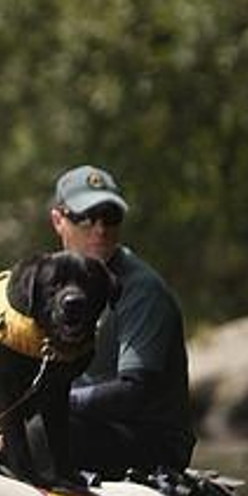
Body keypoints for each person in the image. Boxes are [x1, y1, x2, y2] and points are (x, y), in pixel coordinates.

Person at [50, 161, 196, 478]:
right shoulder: (49, 284)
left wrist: (58, 401)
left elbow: (135, 391)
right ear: (58, 220)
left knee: (47, 430)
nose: (101, 229)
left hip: (148, 439)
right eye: (87, 218)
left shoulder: (141, 291)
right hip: (88, 423)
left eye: (111, 217)